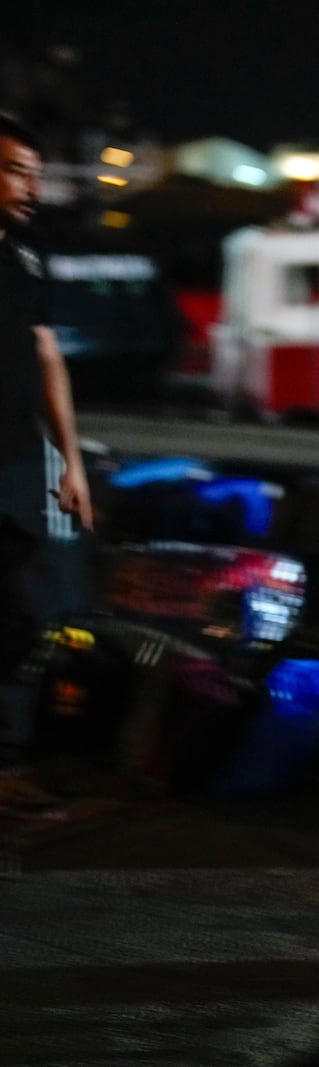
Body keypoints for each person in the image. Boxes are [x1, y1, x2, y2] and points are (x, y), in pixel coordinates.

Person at [1, 112, 94, 725]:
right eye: (15, 173)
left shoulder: (27, 256)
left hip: (13, 460)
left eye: (35, 176)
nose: (31, 190)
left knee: (19, 616)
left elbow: (45, 351)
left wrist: (71, 463)